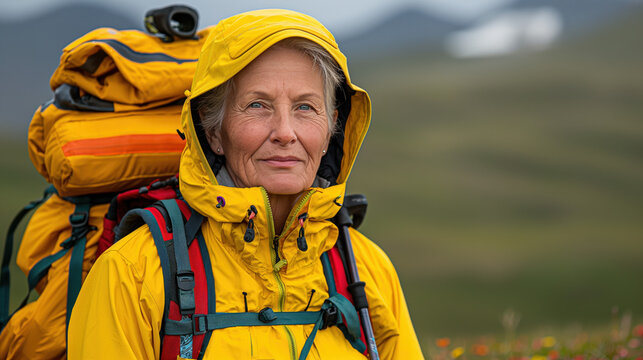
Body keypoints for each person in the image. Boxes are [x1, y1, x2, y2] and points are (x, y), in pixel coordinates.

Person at [68, 9, 424, 359]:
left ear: (332, 128)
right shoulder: (133, 271)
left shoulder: (365, 268)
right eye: (257, 105)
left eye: (305, 107)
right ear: (213, 132)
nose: (285, 133)